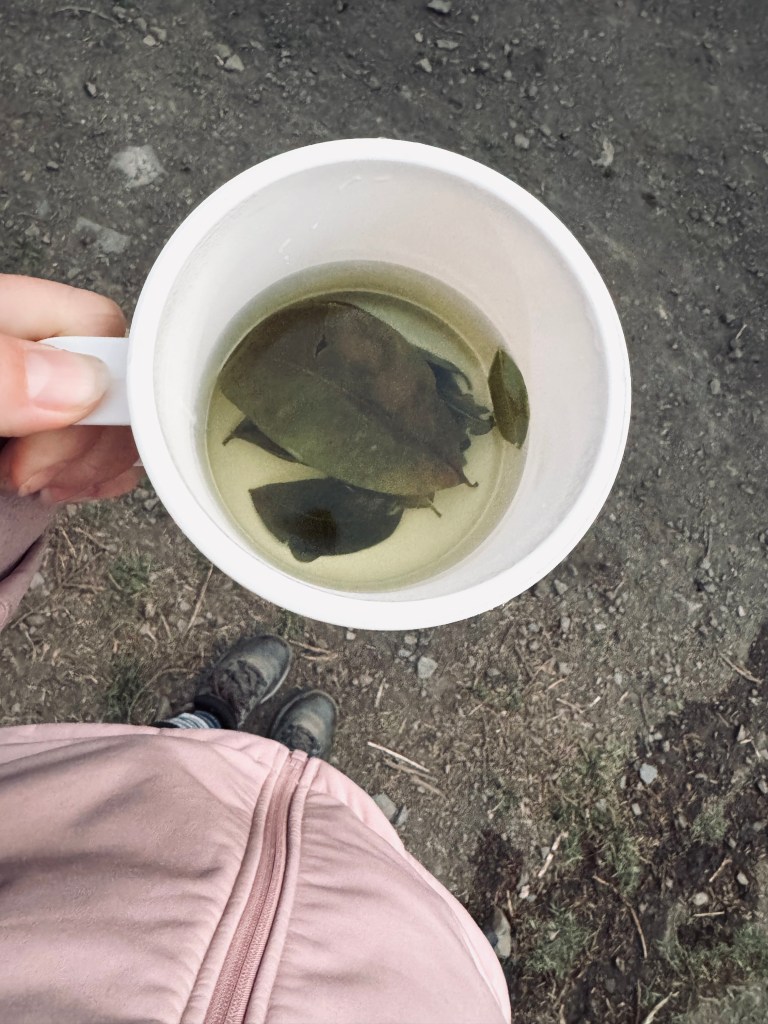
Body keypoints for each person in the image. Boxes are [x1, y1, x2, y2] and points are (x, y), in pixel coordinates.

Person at [0, 275, 511, 1023]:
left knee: (162, 787)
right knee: (366, 888)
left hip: (75, 879)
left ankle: (198, 732)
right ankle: (330, 820)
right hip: (382, 983)